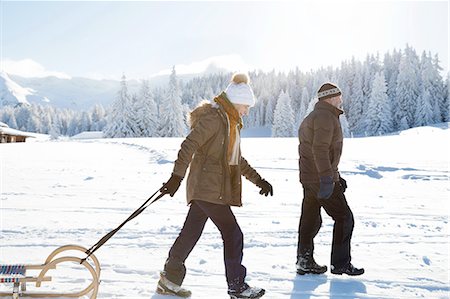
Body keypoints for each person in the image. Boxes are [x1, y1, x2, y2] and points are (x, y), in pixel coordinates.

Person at [156, 73, 273, 299]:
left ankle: (169, 280)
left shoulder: (230, 123)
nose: (247, 111)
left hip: (210, 189)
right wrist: (176, 177)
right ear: (236, 101)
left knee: (190, 233)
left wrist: (259, 180)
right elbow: (188, 145)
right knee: (233, 234)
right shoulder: (215, 119)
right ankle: (236, 286)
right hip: (208, 188)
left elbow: (237, 159)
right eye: (246, 106)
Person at [296, 82, 364, 276]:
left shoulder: (314, 116)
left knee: (310, 219)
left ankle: (304, 260)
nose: (341, 101)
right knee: (344, 217)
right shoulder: (326, 117)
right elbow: (320, 149)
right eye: (339, 97)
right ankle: (341, 264)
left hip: (309, 178)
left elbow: (320, 151)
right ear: (331, 98)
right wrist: (328, 178)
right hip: (320, 178)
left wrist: (336, 176)